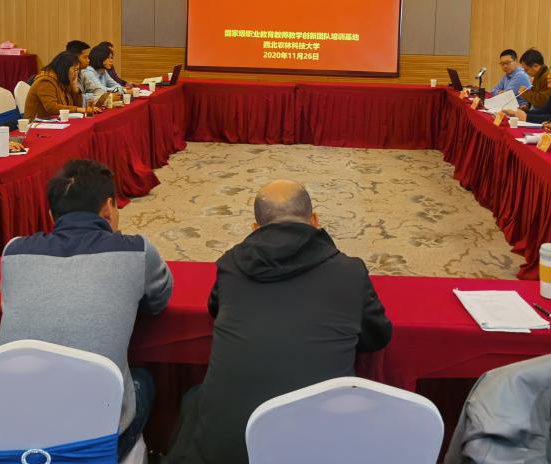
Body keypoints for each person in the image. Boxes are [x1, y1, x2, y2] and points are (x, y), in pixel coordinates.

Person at [166, 180, 393, 464]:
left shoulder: (230, 266)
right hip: (320, 448)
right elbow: (378, 335)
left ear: (255, 228)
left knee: (194, 399)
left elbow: (215, 309)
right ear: (315, 220)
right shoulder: (350, 271)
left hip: (226, 450)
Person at [0, 159, 172, 459]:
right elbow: (158, 301)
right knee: (143, 380)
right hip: (98, 439)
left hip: (16, 432)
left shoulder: (13, 252)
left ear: (51, 215)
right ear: (109, 207)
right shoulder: (137, 251)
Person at [25, 52, 101, 119]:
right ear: (64, 69)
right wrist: (79, 109)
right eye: (74, 69)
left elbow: (76, 104)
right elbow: (51, 107)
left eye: (77, 70)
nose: (76, 73)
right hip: (36, 124)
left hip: (56, 121)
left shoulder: (62, 80)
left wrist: (75, 89)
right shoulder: (45, 81)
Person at [505, 61, 551, 126]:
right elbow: (544, 111)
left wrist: (526, 117)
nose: (548, 77)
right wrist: (521, 112)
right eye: (549, 74)